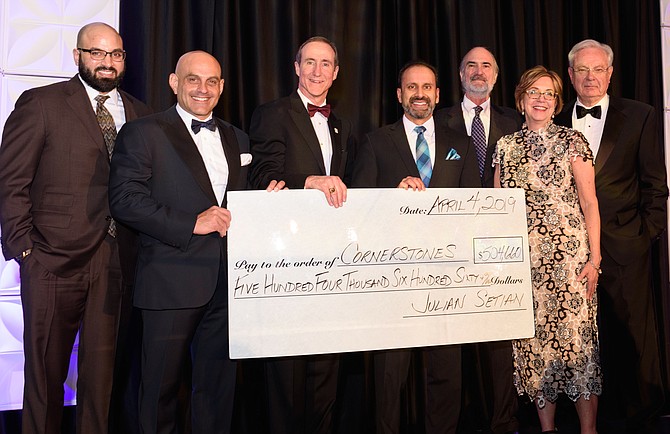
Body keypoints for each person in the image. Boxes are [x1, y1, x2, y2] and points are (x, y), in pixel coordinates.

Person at [0, 22, 151, 434]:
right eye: (97, 53)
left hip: (117, 263)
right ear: (77, 56)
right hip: (50, 261)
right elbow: (11, 181)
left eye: (116, 54)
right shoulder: (42, 103)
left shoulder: (142, 113)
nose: (107, 62)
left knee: (101, 384)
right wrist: (25, 252)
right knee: (45, 383)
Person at [108, 50, 249, 434]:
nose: (203, 89)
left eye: (212, 81)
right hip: (169, 281)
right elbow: (125, 200)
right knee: (159, 393)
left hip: (227, 287)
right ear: (174, 82)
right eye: (193, 79)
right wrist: (191, 224)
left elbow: (238, 202)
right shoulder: (143, 132)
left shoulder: (237, 137)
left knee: (217, 392)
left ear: (221, 87)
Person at [351, 61, 480, 434]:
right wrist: (392, 196)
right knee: (391, 375)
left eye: (427, 87)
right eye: (411, 87)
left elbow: (473, 204)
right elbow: (360, 207)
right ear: (399, 95)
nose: (419, 94)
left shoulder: (460, 143)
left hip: (446, 277)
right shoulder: (375, 142)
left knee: (446, 372)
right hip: (394, 279)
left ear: (438, 95)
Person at [554, 39, 668, 434]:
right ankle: (580, 418)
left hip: (624, 247)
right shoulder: (551, 117)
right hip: (567, 253)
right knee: (577, 337)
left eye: (597, 69)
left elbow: (656, 184)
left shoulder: (641, 115)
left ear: (610, 73)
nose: (589, 77)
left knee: (630, 333)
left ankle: (639, 415)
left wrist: (645, 235)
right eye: (581, 70)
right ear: (570, 76)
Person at [248, 36, 356, 434]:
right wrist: (306, 180)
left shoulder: (342, 122)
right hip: (287, 258)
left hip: (333, 257)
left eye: (325, 63)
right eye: (309, 62)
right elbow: (260, 175)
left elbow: (350, 184)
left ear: (336, 72)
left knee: (327, 363)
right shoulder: (272, 113)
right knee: (287, 367)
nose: (316, 71)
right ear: (296, 67)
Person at [493, 65, 602, 434]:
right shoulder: (505, 147)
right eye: (534, 92)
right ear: (521, 99)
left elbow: (590, 204)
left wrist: (595, 259)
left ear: (557, 103)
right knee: (537, 348)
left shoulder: (573, 141)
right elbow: (497, 209)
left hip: (572, 262)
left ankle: (589, 431)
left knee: (579, 345)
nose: (541, 99)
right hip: (527, 265)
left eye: (549, 93)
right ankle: (547, 430)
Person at [434, 46, 521, 434]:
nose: (479, 71)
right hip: (448, 246)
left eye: (487, 64)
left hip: (502, 245)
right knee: (449, 341)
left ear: (496, 76)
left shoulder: (517, 121)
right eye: (471, 64)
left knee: (500, 341)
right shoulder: (436, 120)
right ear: (459, 74)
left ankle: (502, 422)